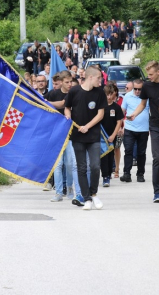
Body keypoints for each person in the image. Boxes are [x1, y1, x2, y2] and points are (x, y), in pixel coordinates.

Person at [128, 61, 159, 203]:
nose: (148, 77)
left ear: (158, 72)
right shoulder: (147, 86)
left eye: (151, 74)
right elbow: (143, 103)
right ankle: (157, 192)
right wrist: (134, 114)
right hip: (155, 126)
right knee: (157, 159)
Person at [65, 66, 107, 210]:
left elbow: (100, 114)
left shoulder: (99, 93)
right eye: (98, 78)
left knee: (95, 166)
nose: (100, 82)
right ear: (90, 77)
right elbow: (67, 107)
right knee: (81, 167)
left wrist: (87, 126)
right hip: (77, 136)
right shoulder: (74, 91)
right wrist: (68, 116)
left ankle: (94, 193)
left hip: (93, 135)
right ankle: (87, 198)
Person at [46, 70, 85, 205]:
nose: (69, 84)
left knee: (69, 164)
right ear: (61, 82)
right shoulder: (52, 94)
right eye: (67, 82)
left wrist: (49, 102)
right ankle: (58, 191)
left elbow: (64, 104)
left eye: (71, 82)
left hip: (71, 133)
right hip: (55, 133)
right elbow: (43, 104)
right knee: (58, 164)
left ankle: (69, 189)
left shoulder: (75, 93)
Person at [121, 79, 149, 182]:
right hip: (129, 127)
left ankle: (140, 174)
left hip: (143, 129)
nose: (137, 91)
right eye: (135, 89)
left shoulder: (146, 97)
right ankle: (126, 173)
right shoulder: (128, 96)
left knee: (141, 152)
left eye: (139, 89)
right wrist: (120, 125)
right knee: (128, 150)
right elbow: (122, 111)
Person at [100, 84, 124, 187]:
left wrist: (114, 135)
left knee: (110, 156)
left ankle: (108, 175)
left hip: (111, 135)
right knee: (103, 156)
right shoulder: (100, 106)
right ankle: (104, 176)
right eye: (107, 95)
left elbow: (119, 122)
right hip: (101, 136)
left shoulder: (116, 107)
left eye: (111, 94)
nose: (109, 97)